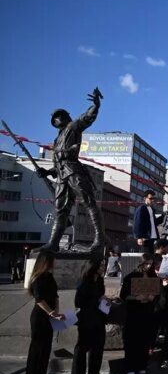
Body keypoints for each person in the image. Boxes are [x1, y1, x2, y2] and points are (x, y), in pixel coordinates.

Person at [36, 89, 104, 253]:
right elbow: (58, 162)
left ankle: (99, 239)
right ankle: (53, 243)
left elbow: (86, 118)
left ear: (65, 116)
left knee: (88, 202)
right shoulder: (57, 139)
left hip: (73, 171)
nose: (56, 120)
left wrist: (96, 105)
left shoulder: (73, 127)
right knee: (60, 210)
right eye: (54, 119)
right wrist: (47, 172)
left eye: (58, 116)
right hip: (61, 176)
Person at [23, 251, 64, 374]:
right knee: (36, 349)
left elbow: (56, 296)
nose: (54, 263)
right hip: (40, 316)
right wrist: (51, 312)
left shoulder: (50, 277)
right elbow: (39, 299)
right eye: (52, 261)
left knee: (46, 350)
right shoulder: (37, 278)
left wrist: (56, 313)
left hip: (50, 316)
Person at [120, 255, 157, 374]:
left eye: (150, 264)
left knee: (144, 340)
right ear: (140, 263)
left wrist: (153, 297)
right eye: (146, 264)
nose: (149, 266)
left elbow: (156, 294)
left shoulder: (152, 276)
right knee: (132, 341)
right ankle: (130, 367)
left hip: (147, 313)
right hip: (133, 314)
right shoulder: (130, 277)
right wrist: (136, 298)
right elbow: (123, 296)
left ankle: (142, 365)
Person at [134, 190, 163, 254]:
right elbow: (137, 223)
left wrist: (163, 216)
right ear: (145, 198)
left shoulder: (151, 209)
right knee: (146, 259)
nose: (152, 200)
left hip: (152, 238)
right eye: (151, 198)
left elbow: (154, 223)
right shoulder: (142, 208)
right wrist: (139, 237)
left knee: (151, 258)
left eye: (154, 198)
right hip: (145, 238)